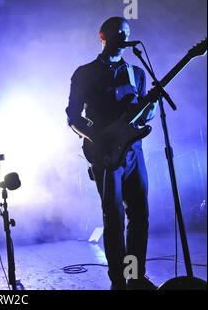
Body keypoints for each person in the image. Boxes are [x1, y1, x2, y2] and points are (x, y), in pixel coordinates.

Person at [65, 17, 158, 290]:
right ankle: (118, 281)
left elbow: (141, 117)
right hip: (104, 153)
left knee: (139, 215)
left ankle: (135, 277)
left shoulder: (137, 73)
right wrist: (95, 138)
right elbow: (72, 117)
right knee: (114, 217)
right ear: (102, 36)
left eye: (127, 33)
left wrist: (148, 109)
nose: (123, 36)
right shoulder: (85, 73)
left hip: (134, 153)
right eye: (118, 32)